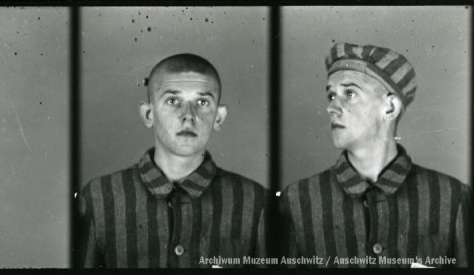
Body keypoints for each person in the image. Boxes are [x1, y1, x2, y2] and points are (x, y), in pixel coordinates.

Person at [280, 43, 472, 267]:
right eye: (331, 96)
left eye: (349, 93)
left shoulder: (452, 197)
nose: (331, 107)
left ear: (390, 107)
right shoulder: (296, 200)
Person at [77, 53, 268, 268]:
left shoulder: (256, 202)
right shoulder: (98, 198)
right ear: (149, 114)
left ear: (219, 117)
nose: (188, 115)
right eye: (173, 101)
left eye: (202, 102)